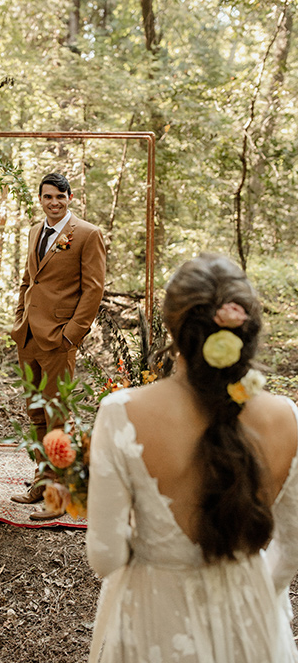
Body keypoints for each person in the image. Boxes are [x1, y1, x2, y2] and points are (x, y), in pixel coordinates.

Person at [86, 253, 298, 662]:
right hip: (250, 623)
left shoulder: (122, 412)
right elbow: (291, 549)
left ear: (172, 325)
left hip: (154, 620)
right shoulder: (286, 418)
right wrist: (246, 587)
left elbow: (106, 555)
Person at [11, 172, 106, 521]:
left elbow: (93, 289)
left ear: (70, 197)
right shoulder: (36, 230)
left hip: (59, 339)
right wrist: (19, 316)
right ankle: (42, 478)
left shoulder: (87, 234)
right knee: (36, 412)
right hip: (28, 336)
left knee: (56, 416)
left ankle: (59, 495)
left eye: (60, 197)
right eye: (48, 196)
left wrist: (72, 335)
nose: (54, 202)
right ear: (40, 199)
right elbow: (28, 279)